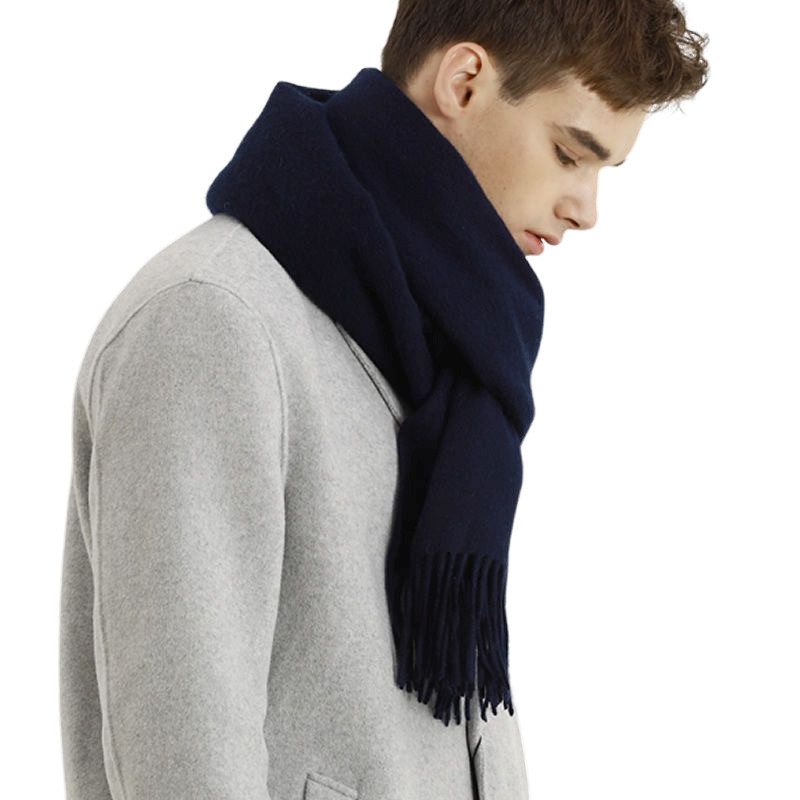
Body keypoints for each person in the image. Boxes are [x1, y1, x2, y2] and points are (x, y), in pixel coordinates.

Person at [58, 2, 709, 798]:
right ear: (464, 82)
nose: (587, 209)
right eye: (570, 153)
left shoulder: (455, 355)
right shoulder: (212, 319)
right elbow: (183, 757)